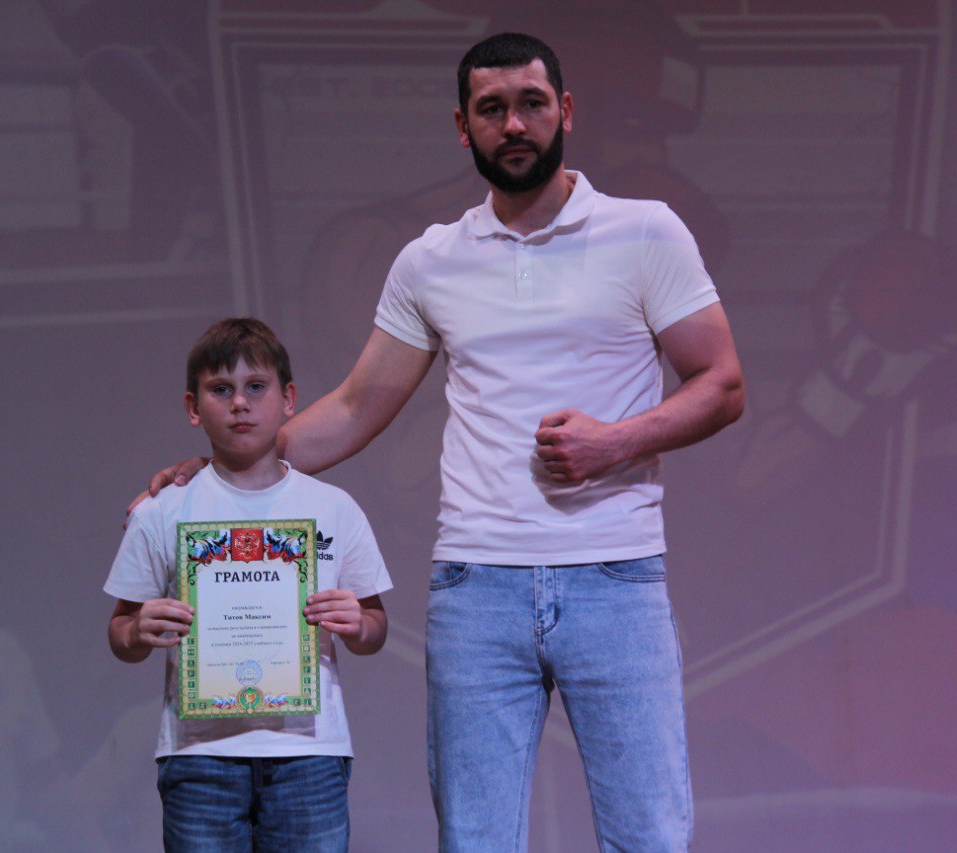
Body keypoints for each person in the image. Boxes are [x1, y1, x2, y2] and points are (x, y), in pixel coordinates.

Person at [143, 33, 744, 851]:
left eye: (531, 103)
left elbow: (722, 383)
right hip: (476, 585)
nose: (514, 124)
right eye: (491, 109)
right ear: (463, 126)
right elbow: (356, 405)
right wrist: (224, 471)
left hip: (615, 575)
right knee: (474, 841)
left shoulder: (644, 232)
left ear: (565, 111)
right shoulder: (431, 260)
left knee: (650, 837)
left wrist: (615, 443)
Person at [109, 317, 392, 851]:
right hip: (200, 756)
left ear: (288, 399)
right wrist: (138, 628)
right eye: (221, 389)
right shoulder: (164, 510)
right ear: (193, 407)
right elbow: (120, 634)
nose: (240, 403)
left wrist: (359, 624)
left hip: (309, 754)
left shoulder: (333, 508)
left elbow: (375, 628)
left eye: (256, 387)